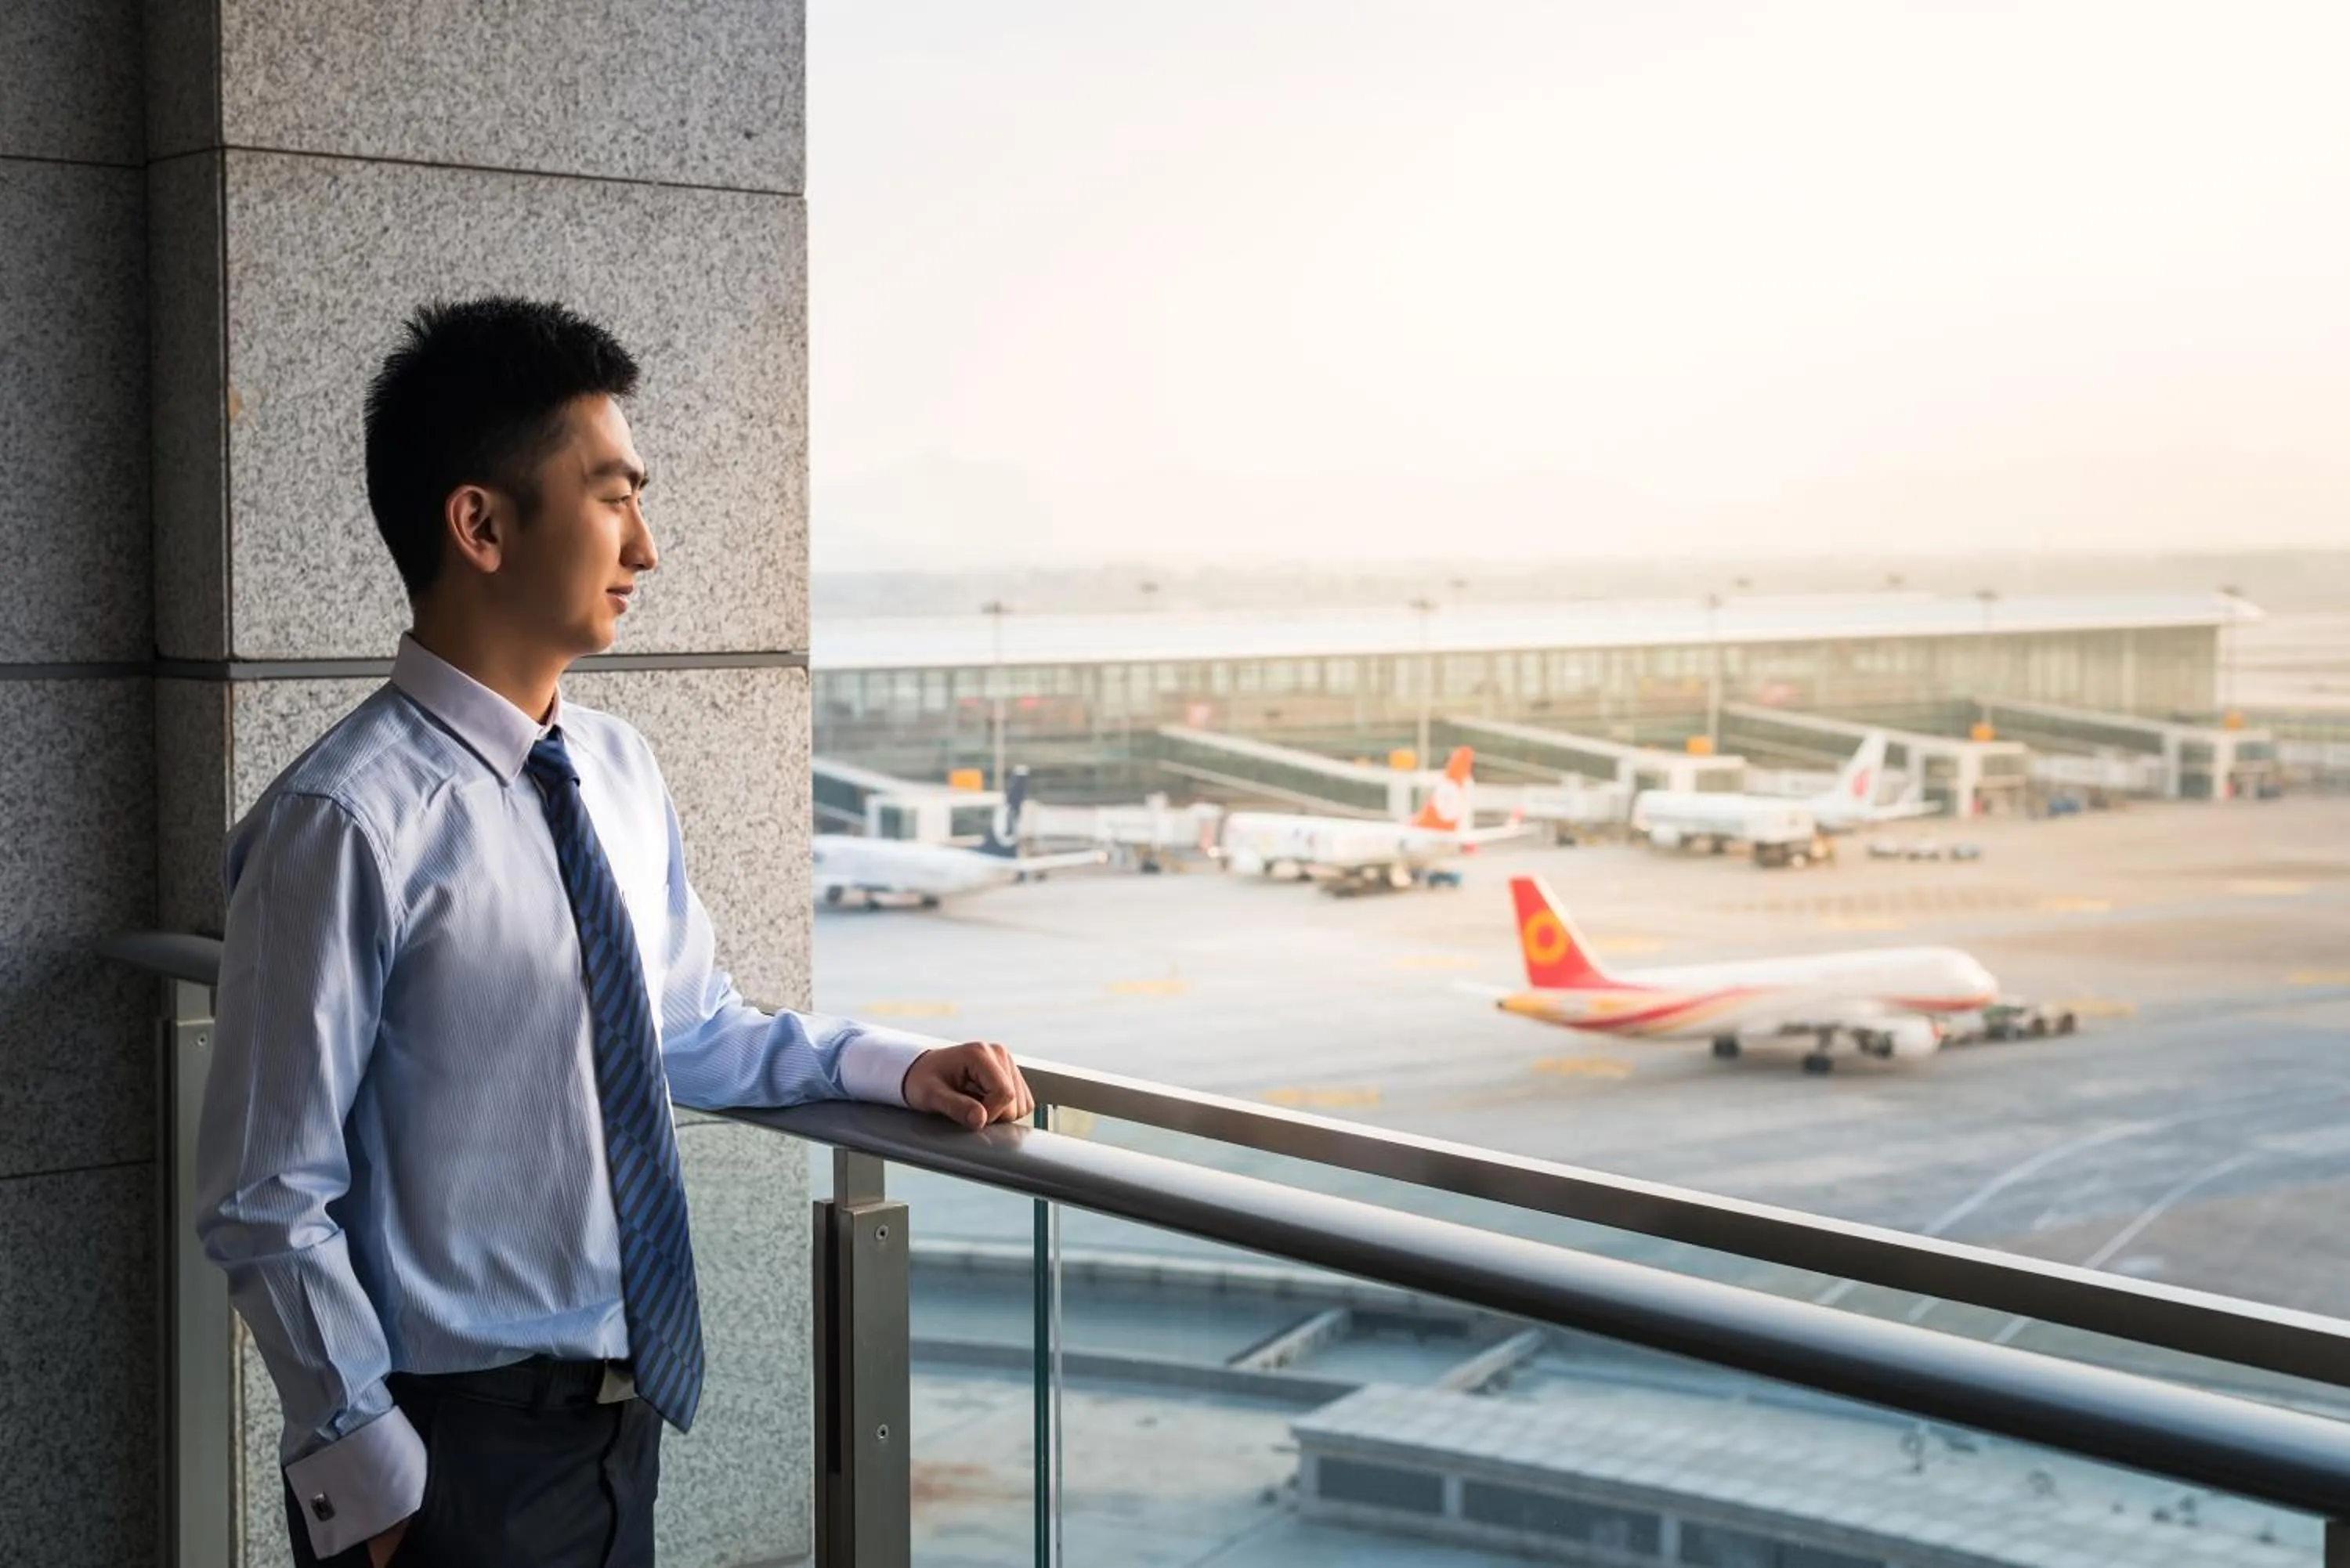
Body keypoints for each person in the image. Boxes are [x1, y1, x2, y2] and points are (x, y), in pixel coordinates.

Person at [194, 297, 1034, 1568]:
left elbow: (689, 1026)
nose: (647, 544)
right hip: (444, 1466)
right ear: (479, 524)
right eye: (612, 496)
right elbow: (264, 1193)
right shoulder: (345, 822)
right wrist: (374, 1472)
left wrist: (892, 1067)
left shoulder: (617, 771)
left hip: (616, 1441)